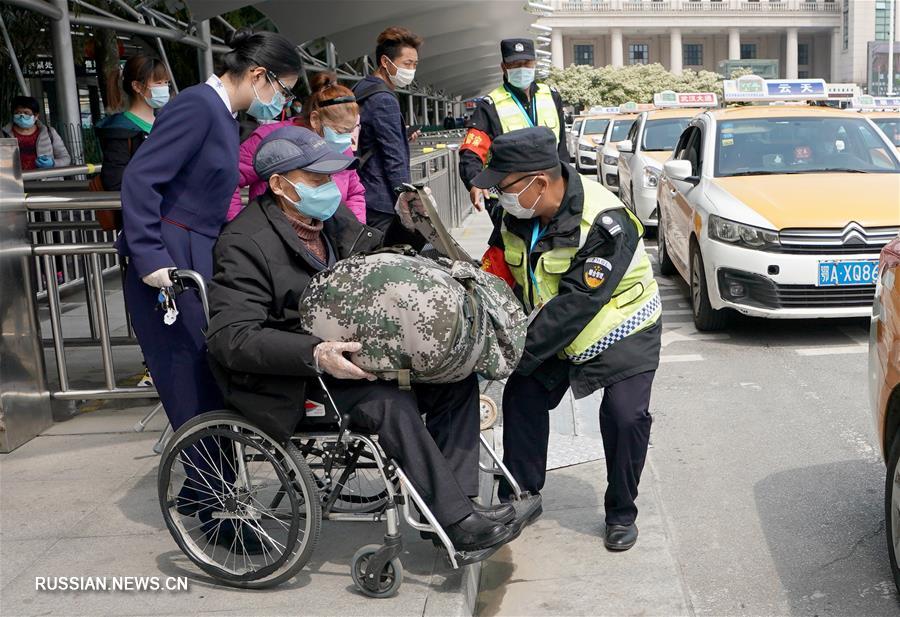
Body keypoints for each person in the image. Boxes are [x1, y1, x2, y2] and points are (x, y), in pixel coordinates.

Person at [206, 126, 517, 552]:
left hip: (359, 353)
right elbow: (231, 337)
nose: (329, 188)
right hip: (299, 375)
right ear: (280, 185)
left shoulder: (328, 217)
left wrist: (409, 228)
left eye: (331, 178)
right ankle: (456, 519)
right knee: (391, 403)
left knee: (455, 382)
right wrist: (315, 353)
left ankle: (456, 506)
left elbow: (370, 261)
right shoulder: (243, 242)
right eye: (316, 180)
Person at [116, 29, 301, 551]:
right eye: (282, 90)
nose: (281, 102)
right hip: (169, 263)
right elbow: (141, 180)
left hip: (197, 252)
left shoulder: (221, 115)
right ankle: (215, 511)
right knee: (192, 383)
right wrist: (151, 256)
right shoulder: (198, 106)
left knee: (210, 379)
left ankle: (209, 497)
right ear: (260, 75)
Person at [470, 127, 661, 552]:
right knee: (523, 396)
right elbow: (497, 267)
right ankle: (521, 494)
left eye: (504, 186)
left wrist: (512, 354)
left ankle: (621, 511)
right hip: (552, 327)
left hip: (621, 326)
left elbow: (577, 304)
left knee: (625, 416)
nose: (498, 196)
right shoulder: (514, 215)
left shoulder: (605, 223)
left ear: (538, 182)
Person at [227, 71, 365, 223]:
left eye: (350, 130)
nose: (347, 139)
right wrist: (238, 224)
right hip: (272, 233)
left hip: (327, 236)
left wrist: (354, 233)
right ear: (315, 120)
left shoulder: (341, 146)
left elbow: (355, 192)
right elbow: (227, 180)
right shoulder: (271, 138)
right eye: (341, 131)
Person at [458, 39, 568, 211]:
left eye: (527, 63)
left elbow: (562, 148)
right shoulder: (490, 104)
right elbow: (472, 151)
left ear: (534, 64)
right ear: (504, 67)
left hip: (551, 193)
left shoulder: (551, 96)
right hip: (510, 198)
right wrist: (475, 181)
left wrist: (568, 183)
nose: (522, 68)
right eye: (515, 64)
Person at [352, 26, 423, 232]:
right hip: (381, 200)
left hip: (363, 191)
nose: (411, 70)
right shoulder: (384, 99)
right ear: (385, 61)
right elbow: (394, 157)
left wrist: (402, 135)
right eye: (407, 63)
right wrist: (406, 198)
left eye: (415, 64)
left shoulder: (362, 88)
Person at [95, 55, 171, 193]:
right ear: (137, 86)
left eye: (166, 83)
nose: (165, 88)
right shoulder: (119, 130)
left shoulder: (164, 124)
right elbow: (115, 182)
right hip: (144, 211)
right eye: (158, 83)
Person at [2, 95, 71, 170]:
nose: (21, 116)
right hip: (16, 181)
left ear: (36, 116)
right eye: (17, 113)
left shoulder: (49, 133)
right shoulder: (3, 134)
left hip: (48, 180)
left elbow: (66, 159)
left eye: (26, 113)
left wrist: (53, 163)